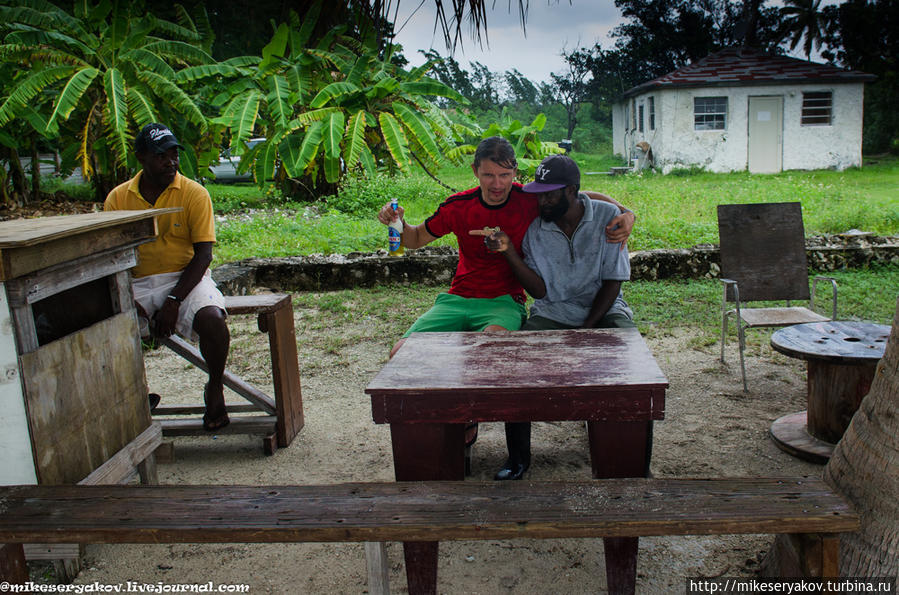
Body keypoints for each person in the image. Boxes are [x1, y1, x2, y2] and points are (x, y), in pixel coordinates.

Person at [376, 137, 636, 474]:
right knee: (401, 353)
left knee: (493, 350)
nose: (497, 184)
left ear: (515, 173)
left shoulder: (530, 199)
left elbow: (587, 198)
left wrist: (627, 213)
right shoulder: (459, 205)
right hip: (457, 297)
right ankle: (451, 424)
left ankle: (469, 417)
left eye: (504, 175)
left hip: (503, 300)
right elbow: (412, 239)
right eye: (487, 175)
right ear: (475, 173)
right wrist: (394, 220)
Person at [476, 153, 637, 480]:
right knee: (516, 367)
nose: (543, 201)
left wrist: (587, 330)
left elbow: (613, 281)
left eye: (550, 194)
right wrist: (509, 254)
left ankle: (631, 455)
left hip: (604, 310)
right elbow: (540, 292)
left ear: (572, 191)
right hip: (554, 312)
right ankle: (518, 457)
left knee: (632, 365)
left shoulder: (609, 218)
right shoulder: (537, 230)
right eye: (539, 194)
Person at [104, 123, 231, 431]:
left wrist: (174, 300)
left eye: (174, 154)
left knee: (213, 320)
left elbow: (203, 256)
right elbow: (109, 258)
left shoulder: (193, 193)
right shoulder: (118, 199)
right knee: (103, 330)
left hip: (186, 278)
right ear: (141, 158)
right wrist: (126, 297)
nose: (170, 162)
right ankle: (135, 397)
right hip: (137, 282)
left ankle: (215, 387)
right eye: (161, 156)